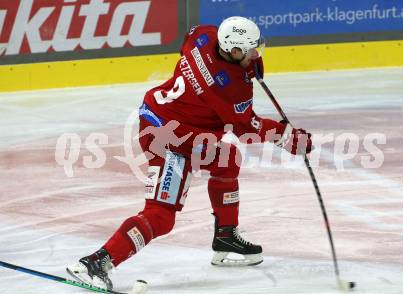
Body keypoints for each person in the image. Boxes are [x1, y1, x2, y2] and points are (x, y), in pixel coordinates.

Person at [66, 16, 312, 290]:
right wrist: (290, 137)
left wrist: (241, 66)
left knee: (227, 159)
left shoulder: (204, 36)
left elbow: (189, 37)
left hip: (168, 118)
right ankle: (95, 263)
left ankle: (226, 236)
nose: (256, 54)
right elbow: (247, 128)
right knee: (161, 214)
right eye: (251, 51)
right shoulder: (230, 86)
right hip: (169, 136)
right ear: (233, 51)